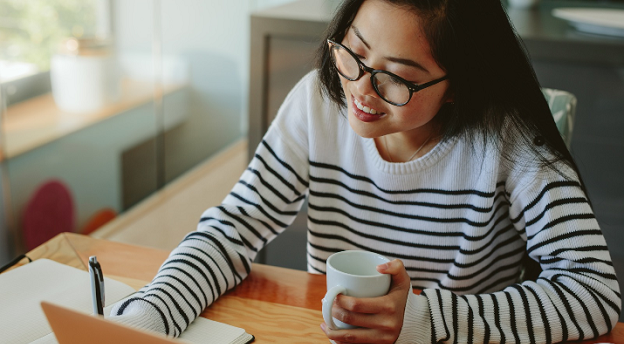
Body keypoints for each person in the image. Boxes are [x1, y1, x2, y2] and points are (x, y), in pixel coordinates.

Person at [110, 0, 621, 343]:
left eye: (396, 78)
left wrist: (424, 319)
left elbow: (595, 292)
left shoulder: (507, 139)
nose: (360, 90)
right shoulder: (316, 101)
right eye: (352, 53)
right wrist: (148, 319)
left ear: (460, 84)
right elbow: (232, 229)